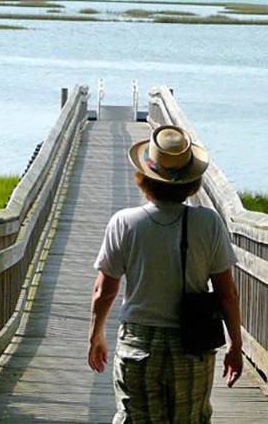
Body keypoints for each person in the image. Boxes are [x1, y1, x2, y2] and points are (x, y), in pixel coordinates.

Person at [87, 125, 244, 424]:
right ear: (190, 181)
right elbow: (227, 294)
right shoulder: (208, 223)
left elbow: (103, 292)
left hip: (139, 343)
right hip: (192, 345)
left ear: (144, 175)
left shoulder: (124, 223)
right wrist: (235, 345)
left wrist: (95, 336)